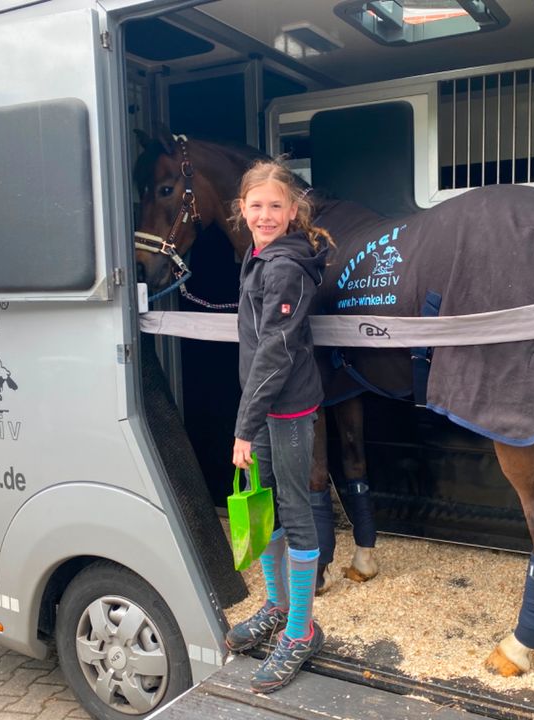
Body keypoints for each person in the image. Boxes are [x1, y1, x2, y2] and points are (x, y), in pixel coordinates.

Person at [224, 159, 333, 693]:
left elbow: (276, 350)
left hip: (284, 409)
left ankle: (300, 630)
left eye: (275, 206)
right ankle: (276, 604)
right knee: (265, 503)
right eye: (256, 205)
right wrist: (250, 417)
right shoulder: (258, 256)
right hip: (264, 407)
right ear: (241, 210)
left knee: (294, 508)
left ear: (293, 212)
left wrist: (245, 426)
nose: (264, 215)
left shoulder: (285, 266)